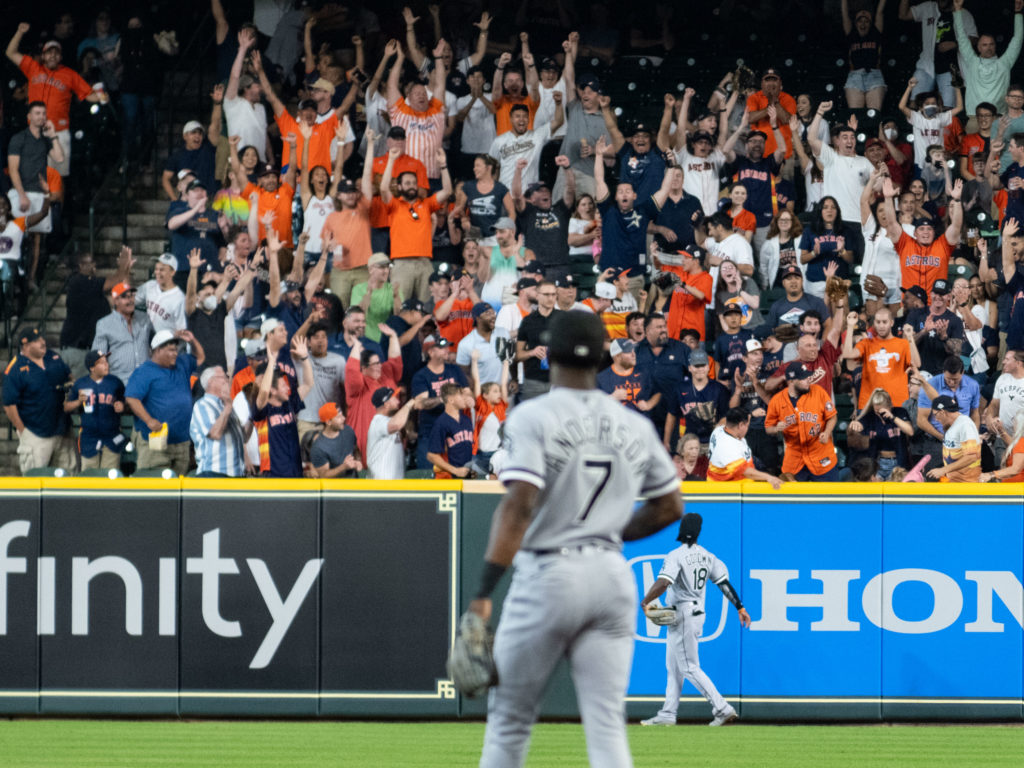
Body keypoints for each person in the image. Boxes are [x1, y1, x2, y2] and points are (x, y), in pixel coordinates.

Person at [467, 310, 680, 767]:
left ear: (551, 353)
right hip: (610, 574)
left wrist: (484, 592)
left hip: (549, 572)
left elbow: (519, 505)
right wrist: (609, 530)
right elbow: (671, 506)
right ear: (603, 356)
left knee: (509, 721)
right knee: (606, 727)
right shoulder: (633, 423)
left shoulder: (534, 415)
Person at [639, 512, 752, 727]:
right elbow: (723, 583)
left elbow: (664, 582)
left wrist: (646, 601)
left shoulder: (676, 555)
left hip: (682, 614)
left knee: (689, 667)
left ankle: (722, 708)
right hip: (695, 614)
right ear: (699, 532)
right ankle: (667, 714)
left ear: (681, 530)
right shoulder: (708, 556)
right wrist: (740, 606)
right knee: (673, 667)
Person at [5, 22, 107, 176]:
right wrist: (19, 32)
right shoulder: (33, 68)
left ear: (60, 56)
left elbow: (88, 95)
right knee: (35, 178)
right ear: (44, 56)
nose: (52, 55)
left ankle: (58, 201)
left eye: (56, 53)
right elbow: (10, 52)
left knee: (57, 178)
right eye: (49, 52)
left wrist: (100, 96)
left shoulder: (69, 74)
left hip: (59, 133)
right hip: (35, 132)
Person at [124, 329, 205, 476]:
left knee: (177, 489)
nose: (175, 353)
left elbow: (200, 357)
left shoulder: (181, 364)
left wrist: (192, 340)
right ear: (157, 350)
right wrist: (148, 420)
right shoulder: (144, 371)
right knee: (153, 484)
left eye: (176, 350)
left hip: (181, 440)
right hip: (155, 441)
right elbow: (131, 398)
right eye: (170, 350)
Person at [380, 145, 452, 302]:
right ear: (399, 186)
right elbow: (384, 189)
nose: (411, 186)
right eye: (407, 183)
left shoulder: (426, 204)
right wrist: (391, 161)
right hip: (401, 264)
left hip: (424, 263)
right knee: (400, 308)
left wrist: (444, 166)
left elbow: (447, 191)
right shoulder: (394, 205)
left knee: (426, 309)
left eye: (413, 183)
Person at [2, 327, 76, 474]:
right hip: (36, 433)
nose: (42, 342)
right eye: (36, 341)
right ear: (25, 346)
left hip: (62, 430)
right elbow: (9, 404)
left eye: (42, 338)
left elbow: (70, 378)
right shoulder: (16, 368)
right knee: (35, 479)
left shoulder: (53, 357)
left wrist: (70, 390)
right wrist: (23, 431)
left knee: (68, 480)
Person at [880, 177, 963, 298]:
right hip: (911, 307)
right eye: (921, 229)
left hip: (935, 305)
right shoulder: (905, 244)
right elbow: (892, 223)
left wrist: (957, 200)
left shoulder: (942, 245)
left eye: (929, 229)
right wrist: (888, 199)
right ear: (915, 233)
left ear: (934, 233)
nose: (926, 232)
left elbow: (956, 226)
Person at [253, 334, 314, 479]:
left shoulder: (290, 403)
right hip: (273, 474)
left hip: (295, 472)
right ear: (273, 391)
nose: (288, 387)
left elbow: (308, 384)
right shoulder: (261, 410)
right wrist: (271, 362)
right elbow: (264, 391)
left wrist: (305, 358)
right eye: (283, 384)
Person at [765, 364, 840, 482]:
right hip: (795, 457)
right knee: (791, 496)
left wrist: (827, 432)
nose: (808, 380)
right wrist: (776, 429)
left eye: (807, 377)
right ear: (791, 381)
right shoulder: (777, 401)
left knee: (829, 496)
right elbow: (768, 427)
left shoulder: (818, 392)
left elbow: (832, 417)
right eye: (803, 379)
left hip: (820, 453)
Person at [953, 0, 1023, 116]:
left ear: (995, 46)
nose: (988, 48)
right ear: (979, 47)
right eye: (984, 45)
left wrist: (1018, 12)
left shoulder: (1005, 62)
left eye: (991, 44)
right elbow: (961, 37)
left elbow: (1018, 39)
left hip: (999, 117)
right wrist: (958, 11)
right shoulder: (972, 61)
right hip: (975, 117)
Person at [842, 309, 920, 408]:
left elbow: (916, 364)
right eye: (878, 322)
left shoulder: (902, 344)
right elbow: (847, 354)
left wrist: (909, 337)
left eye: (884, 322)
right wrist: (850, 327)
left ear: (891, 323)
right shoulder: (866, 343)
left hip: (896, 404)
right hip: (869, 405)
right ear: (874, 323)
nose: (881, 326)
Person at [65, 349, 126, 471]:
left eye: (106, 362)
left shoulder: (115, 382)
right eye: (101, 362)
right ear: (92, 368)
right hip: (89, 438)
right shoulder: (81, 384)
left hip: (111, 437)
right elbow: (66, 407)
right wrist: (78, 401)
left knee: (110, 477)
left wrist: (122, 406)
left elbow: (125, 402)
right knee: (89, 477)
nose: (106, 365)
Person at [189, 366, 250, 477]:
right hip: (213, 474)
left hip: (236, 474)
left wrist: (252, 415)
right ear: (211, 381)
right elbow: (215, 434)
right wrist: (228, 407)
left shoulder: (226, 406)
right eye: (224, 377)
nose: (228, 380)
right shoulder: (202, 405)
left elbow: (244, 437)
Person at [663, 349, 731, 450]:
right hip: (688, 441)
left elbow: (725, 416)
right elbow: (672, 415)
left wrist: (719, 428)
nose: (700, 369)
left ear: (708, 367)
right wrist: (666, 441)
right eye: (696, 366)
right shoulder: (680, 388)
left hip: (713, 442)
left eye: (703, 365)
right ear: (690, 368)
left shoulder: (719, 389)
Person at [92, 281, 152, 384]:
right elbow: (98, 357)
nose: (130, 300)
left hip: (145, 382)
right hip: (120, 382)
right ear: (115, 301)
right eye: (125, 297)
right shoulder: (104, 324)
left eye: (132, 296)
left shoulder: (145, 318)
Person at [847, 387, 914, 479]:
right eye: (877, 411)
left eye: (882, 411)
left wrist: (892, 417)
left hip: (898, 461)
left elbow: (910, 431)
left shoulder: (900, 412)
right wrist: (855, 424)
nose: (879, 414)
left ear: (890, 405)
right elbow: (856, 429)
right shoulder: (871, 416)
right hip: (878, 462)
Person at [706, 408, 783, 487]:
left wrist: (751, 415)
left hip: (736, 481)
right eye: (747, 425)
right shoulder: (727, 446)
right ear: (741, 425)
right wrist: (769, 478)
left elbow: (724, 420)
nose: (748, 428)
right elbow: (746, 472)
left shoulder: (719, 429)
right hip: (727, 489)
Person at [365, 387, 426, 480]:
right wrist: (410, 403)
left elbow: (404, 432)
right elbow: (397, 424)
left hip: (394, 483)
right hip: (380, 485)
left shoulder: (389, 420)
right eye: (394, 398)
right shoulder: (377, 421)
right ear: (386, 404)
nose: (398, 401)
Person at [841, 0, 888, 110]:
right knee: (856, 116)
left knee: (874, 115)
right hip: (855, 76)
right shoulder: (851, 34)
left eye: (866, 21)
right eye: (860, 21)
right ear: (855, 23)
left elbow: (880, 11)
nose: (863, 24)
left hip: (874, 75)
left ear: (870, 24)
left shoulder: (875, 33)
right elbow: (844, 14)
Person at [925, 393, 982, 482]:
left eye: (935, 415)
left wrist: (943, 470)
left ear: (942, 412)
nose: (935, 419)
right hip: (953, 481)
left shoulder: (965, 425)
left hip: (967, 484)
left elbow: (972, 457)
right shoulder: (950, 425)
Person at [597, 338, 659, 415]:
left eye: (633, 350)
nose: (633, 354)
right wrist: (612, 397)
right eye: (628, 351)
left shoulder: (644, 372)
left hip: (642, 424)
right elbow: (592, 406)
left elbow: (660, 391)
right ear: (617, 356)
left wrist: (649, 404)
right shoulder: (602, 378)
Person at [426, 383, 476, 478]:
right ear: (451, 400)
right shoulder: (441, 423)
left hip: (465, 474)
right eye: (461, 395)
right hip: (447, 479)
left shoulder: (466, 420)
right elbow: (431, 455)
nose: (465, 398)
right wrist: (455, 471)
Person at [986, 350, 1024, 465]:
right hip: (1002, 435)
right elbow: (994, 404)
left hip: (1022, 438)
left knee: (1018, 473)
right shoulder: (1002, 379)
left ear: (1018, 363)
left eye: (1007, 359)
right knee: (1000, 471)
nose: (1003, 362)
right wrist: (989, 418)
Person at [137, 253, 187, 334]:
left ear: (172, 272)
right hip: (146, 339)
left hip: (165, 343)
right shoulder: (150, 285)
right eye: (156, 269)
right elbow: (130, 299)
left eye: (162, 270)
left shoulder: (180, 298)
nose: (157, 272)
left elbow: (181, 330)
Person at [309, 402, 361, 479]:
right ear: (328, 422)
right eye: (339, 417)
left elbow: (355, 449)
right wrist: (343, 467)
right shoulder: (318, 448)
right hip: (334, 489)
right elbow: (323, 475)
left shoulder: (348, 431)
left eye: (342, 415)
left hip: (354, 484)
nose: (344, 418)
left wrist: (358, 461)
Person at [980, 412, 1024, 482]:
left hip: (1017, 489)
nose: (1013, 425)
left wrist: (991, 474)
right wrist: (1001, 430)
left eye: (1014, 421)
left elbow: (1015, 469)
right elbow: (1014, 447)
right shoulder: (1020, 442)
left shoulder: (1022, 442)